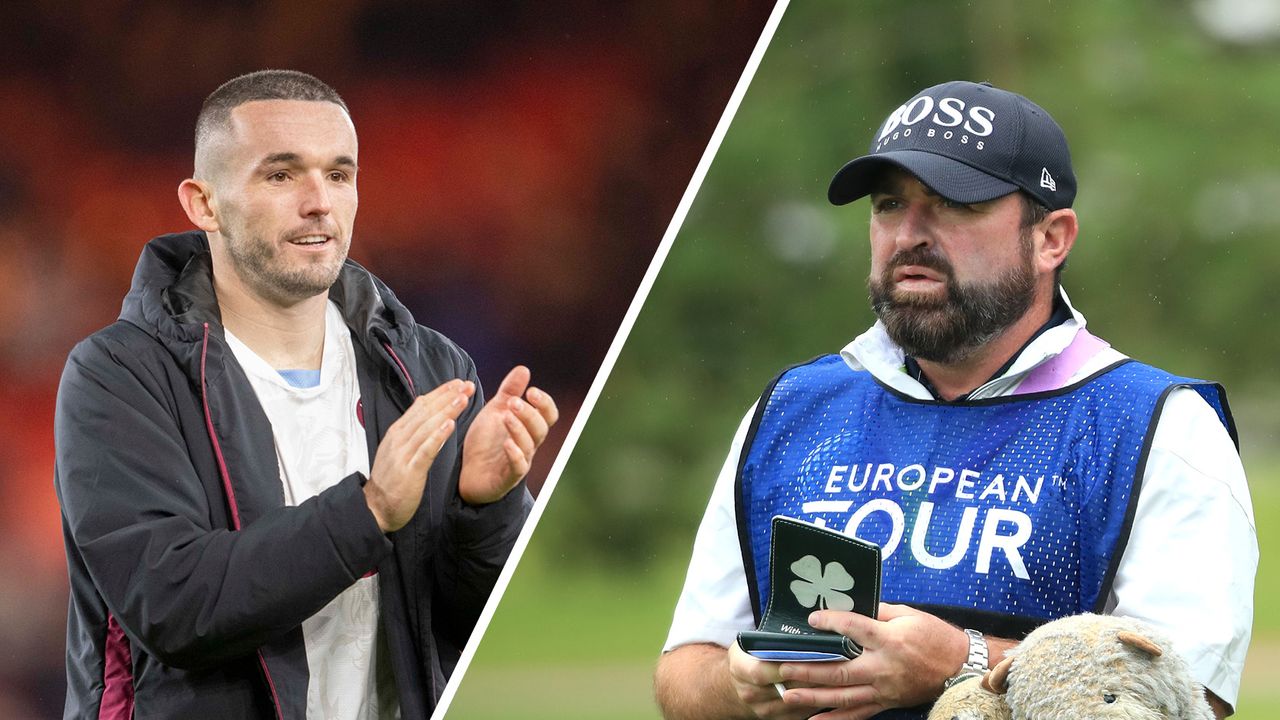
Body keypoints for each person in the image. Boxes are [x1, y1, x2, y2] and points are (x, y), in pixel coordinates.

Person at [654, 81, 1255, 720]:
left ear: (1051, 238)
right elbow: (685, 672)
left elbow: (1188, 701)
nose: (909, 234)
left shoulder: (1158, 425)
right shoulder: (791, 409)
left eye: (953, 204)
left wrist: (962, 664)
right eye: (889, 205)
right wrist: (742, 684)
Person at [54, 70, 559, 720]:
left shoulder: (428, 366)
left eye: (340, 174)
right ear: (203, 203)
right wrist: (371, 510)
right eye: (281, 175)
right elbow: (173, 605)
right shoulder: (119, 375)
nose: (319, 201)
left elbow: (486, 628)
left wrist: (485, 510)